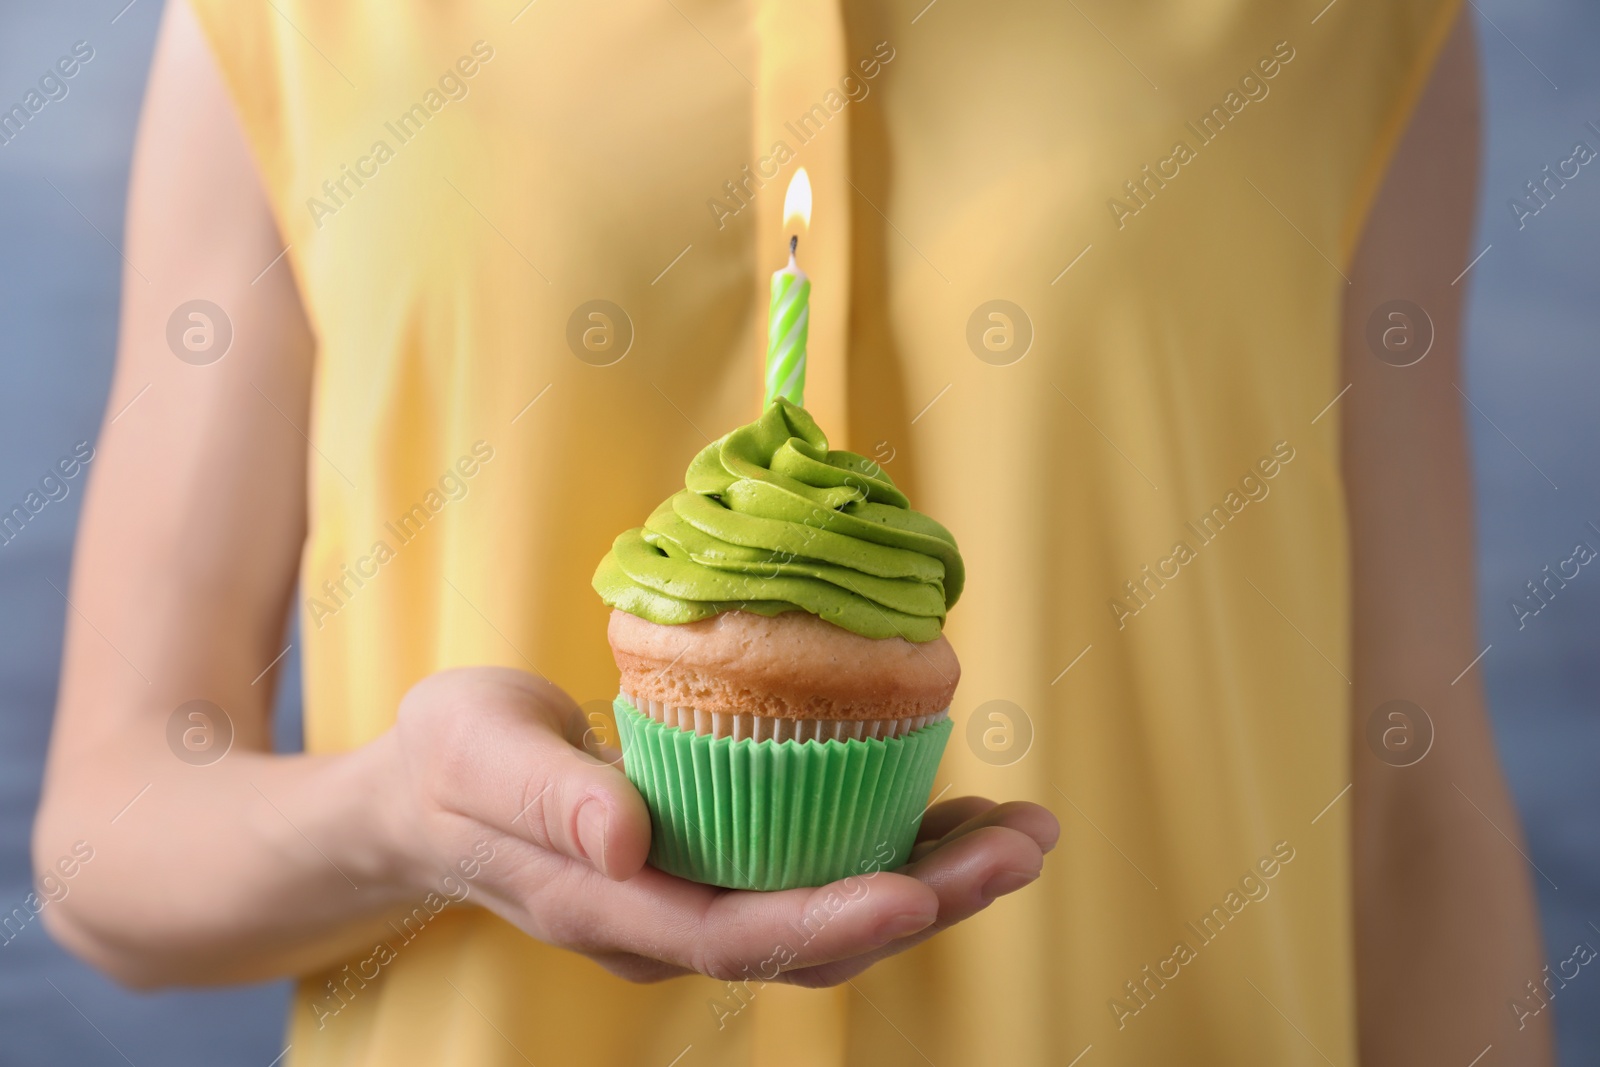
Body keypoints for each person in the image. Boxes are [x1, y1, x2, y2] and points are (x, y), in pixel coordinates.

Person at [35, 1, 1552, 1064]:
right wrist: (402, 821)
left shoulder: (1351, 20)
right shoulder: (288, 17)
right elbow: (107, 850)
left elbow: (1407, 785)